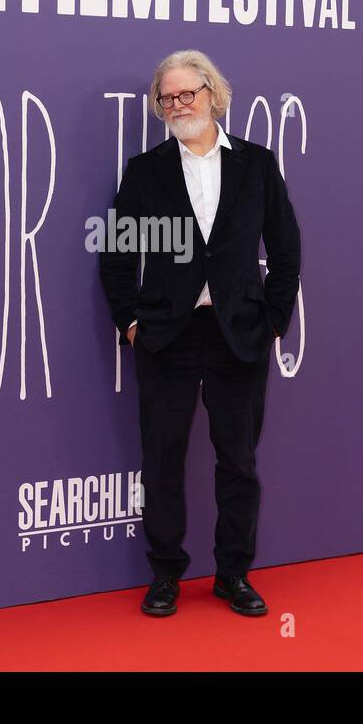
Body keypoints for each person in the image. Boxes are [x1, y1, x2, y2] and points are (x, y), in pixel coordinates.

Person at [98, 49, 301, 618]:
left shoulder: (257, 166)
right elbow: (115, 256)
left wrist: (275, 320)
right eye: (167, 97)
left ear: (214, 93)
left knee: (238, 460)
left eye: (188, 93)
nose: (178, 104)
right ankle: (165, 575)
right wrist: (132, 323)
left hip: (240, 334)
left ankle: (233, 574)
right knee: (162, 459)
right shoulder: (145, 172)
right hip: (167, 336)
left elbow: (286, 249)